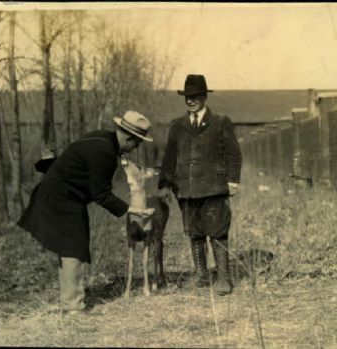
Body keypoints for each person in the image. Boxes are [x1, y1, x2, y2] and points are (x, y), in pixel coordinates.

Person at [17, 110, 154, 313]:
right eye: (137, 142)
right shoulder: (105, 152)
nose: (136, 147)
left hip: (59, 194)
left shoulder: (102, 138)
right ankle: (74, 307)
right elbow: (101, 194)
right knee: (74, 247)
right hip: (62, 198)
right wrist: (132, 210)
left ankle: (69, 302)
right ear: (127, 137)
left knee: (68, 247)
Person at [158, 74, 242, 295]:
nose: (190, 100)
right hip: (186, 189)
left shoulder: (221, 122)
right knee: (194, 233)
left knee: (218, 231)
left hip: (214, 188)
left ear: (204, 97)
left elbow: (234, 154)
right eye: (187, 96)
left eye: (194, 96)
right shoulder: (177, 126)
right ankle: (202, 276)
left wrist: (233, 180)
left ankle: (224, 279)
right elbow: (169, 157)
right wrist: (165, 184)